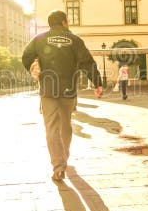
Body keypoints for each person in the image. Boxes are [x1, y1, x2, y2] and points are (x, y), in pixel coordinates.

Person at [22, 10, 103, 182]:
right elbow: (87, 62)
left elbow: (26, 56)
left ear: (51, 24)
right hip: (68, 90)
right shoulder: (74, 40)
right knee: (66, 123)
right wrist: (97, 83)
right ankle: (64, 157)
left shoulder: (39, 39)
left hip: (48, 89)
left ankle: (58, 166)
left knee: (51, 127)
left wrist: (33, 65)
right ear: (65, 22)